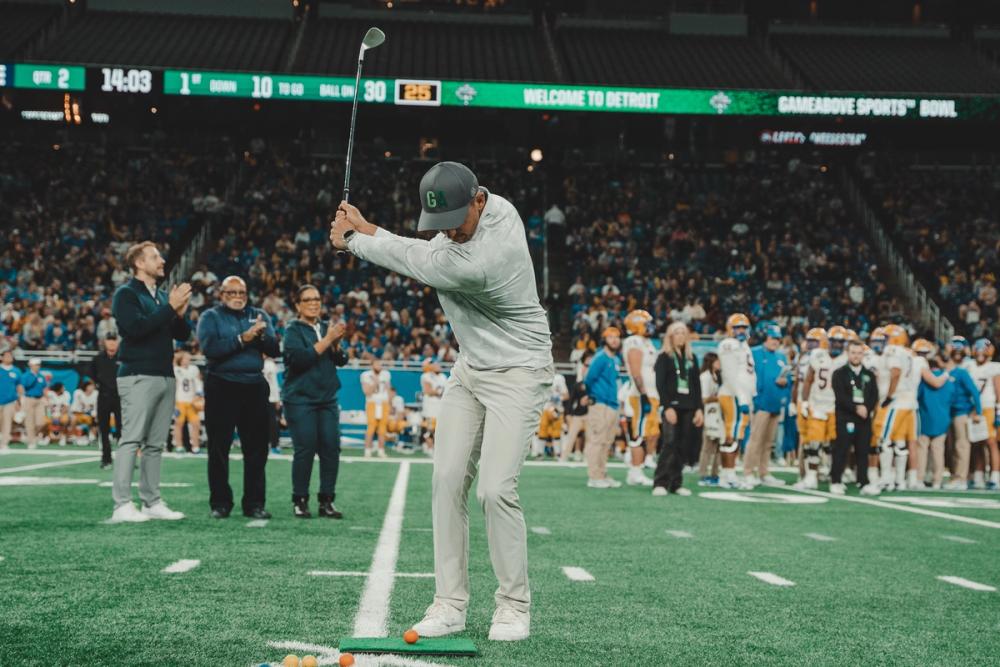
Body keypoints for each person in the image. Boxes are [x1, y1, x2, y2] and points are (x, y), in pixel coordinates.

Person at [330, 161, 554, 642]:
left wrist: (354, 241)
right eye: (441, 222)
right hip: (471, 369)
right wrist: (367, 225)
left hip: (519, 370)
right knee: (447, 480)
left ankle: (514, 606)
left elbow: (417, 260)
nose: (448, 231)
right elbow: (423, 247)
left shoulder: (486, 255)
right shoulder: (477, 217)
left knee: (495, 489)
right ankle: (449, 604)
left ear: (479, 199)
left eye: (456, 218)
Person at [110, 241, 192, 523]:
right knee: (131, 439)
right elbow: (136, 329)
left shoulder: (161, 296)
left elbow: (182, 334)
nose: (161, 260)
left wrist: (178, 311)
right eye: (154, 257)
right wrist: (170, 307)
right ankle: (121, 504)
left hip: (164, 374)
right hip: (137, 374)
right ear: (138, 264)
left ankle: (151, 501)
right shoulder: (126, 295)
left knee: (156, 443)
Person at [197, 275, 279, 520]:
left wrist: (262, 336)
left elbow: (275, 350)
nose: (237, 297)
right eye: (231, 293)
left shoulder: (259, 315)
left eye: (241, 293)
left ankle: (254, 503)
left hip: (254, 385)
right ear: (221, 294)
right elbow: (211, 349)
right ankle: (220, 502)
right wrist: (244, 338)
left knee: (256, 449)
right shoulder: (209, 317)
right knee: (218, 447)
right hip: (221, 384)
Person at [281, 284, 349, 519]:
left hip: (327, 398)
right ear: (298, 305)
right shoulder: (292, 330)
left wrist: (337, 344)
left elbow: (342, 360)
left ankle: (327, 500)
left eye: (317, 299)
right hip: (300, 399)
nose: (313, 303)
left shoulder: (324, 326)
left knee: (331, 449)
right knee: (305, 450)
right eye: (307, 299)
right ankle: (300, 500)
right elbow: (299, 360)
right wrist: (328, 339)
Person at [652, 321, 702, 496]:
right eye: (677, 332)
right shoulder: (664, 357)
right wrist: (667, 406)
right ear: (670, 336)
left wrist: (699, 409)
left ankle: (676, 482)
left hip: (689, 406)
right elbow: (660, 384)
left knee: (683, 445)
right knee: (669, 443)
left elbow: (696, 385)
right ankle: (661, 482)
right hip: (672, 406)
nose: (680, 336)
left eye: (683, 332)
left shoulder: (692, 358)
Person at [744, 324, 791, 487]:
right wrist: (754, 400)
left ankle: (764, 472)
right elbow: (749, 376)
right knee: (755, 439)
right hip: (760, 404)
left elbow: (788, 379)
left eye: (778, 339)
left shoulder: (781, 357)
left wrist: (785, 382)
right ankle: (748, 472)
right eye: (772, 338)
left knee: (769, 442)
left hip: (775, 404)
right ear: (766, 338)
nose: (775, 342)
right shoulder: (755, 353)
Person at [831, 340, 878, 494]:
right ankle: (836, 480)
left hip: (864, 419)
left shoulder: (869, 375)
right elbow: (840, 396)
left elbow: (874, 395)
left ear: (863, 354)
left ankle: (863, 482)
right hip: (845, 417)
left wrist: (867, 408)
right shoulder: (839, 373)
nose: (856, 356)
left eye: (859, 353)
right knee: (841, 449)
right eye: (853, 352)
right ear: (848, 353)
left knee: (863, 451)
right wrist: (856, 408)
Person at [717, 313, 756, 489]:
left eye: (743, 328)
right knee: (731, 436)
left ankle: (728, 474)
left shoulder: (743, 345)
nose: (741, 331)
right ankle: (728, 475)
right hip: (733, 395)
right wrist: (741, 398)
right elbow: (731, 374)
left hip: (741, 395)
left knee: (736, 436)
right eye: (737, 328)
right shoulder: (728, 345)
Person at [584, 328, 624, 489]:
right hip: (600, 403)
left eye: (617, 337)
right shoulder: (600, 357)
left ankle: (602, 474)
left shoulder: (615, 359)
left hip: (612, 404)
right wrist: (592, 396)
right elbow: (589, 379)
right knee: (597, 440)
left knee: (607, 442)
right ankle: (594, 476)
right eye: (611, 337)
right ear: (604, 339)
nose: (614, 340)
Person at [621, 309, 657, 486]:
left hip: (650, 394)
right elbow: (636, 372)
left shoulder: (646, 341)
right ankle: (635, 472)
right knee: (638, 434)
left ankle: (638, 469)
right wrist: (643, 394)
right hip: (640, 394)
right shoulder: (634, 341)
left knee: (646, 433)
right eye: (646, 323)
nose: (650, 326)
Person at [941, 339, 982, 490]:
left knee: (962, 446)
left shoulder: (962, 372)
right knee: (952, 448)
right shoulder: (947, 372)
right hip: (950, 413)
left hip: (962, 413)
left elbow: (974, 392)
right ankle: (954, 476)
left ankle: (961, 478)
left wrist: (978, 411)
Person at [968, 338, 1000, 490]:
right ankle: (979, 475)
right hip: (974, 408)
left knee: (991, 442)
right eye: (978, 349)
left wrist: (998, 410)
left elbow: (998, 390)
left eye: (983, 349)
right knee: (977, 443)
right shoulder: (970, 366)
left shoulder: (994, 367)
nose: (980, 352)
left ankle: (994, 476)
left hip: (988, 407)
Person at [90, 335, 122, 469]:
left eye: (114, 340)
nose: (112, 343)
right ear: (104, 342)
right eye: (109, 340)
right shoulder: (97, 359)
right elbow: (91, 376)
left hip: (120, 397)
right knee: (104, 429)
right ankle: (106, 458)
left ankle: (125, 460)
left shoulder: (123, 358)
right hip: (103, 396)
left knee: (123, 429)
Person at [559, 349, 592, 463]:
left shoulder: (597, 385)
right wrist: (568, 414)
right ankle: (564, 457)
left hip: (591, 414)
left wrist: (590, 399)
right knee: (571, 436)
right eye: (586, 365)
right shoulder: (579, 384)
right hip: (578, 414)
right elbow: (571, 400)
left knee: (590, 438)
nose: (586, 368)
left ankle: (587, 458)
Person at [698, 353, 723, 486]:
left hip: (717, 414)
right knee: (708, 445)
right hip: (709, 413)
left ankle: (715, 473)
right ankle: (703, 473)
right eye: (717, 361)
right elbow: (703, 398)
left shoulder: (717, 376)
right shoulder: (705, 377)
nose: (720, 364)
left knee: (719, 445)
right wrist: (720, 398)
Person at [360, 359, 392, 458]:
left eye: (380, 364)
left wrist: (390, 403)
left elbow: (388, 389)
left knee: (382, 427)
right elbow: (367, 392)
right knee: (371, 427)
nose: (379, 366)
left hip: (384, 403)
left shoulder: (386, 374)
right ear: (372, 365)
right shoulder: (366, 375)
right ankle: (367, 450)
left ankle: (381, 450)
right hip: (372, 403)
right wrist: (375, 382)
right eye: (377, 364)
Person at [172, 350, 202, 454]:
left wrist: (199, 393)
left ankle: (196, 447)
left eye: (188, 358)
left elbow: (198, 381)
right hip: (180, 400)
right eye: (185, 358)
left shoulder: (194, 369)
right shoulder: (176, 370)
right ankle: (179, 446)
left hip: (192, 401)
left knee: (196, 424)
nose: (188, 360)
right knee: (178, 424)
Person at [419, 359, 447, 453]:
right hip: (430, 406)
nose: (438, 366)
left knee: (439, 428)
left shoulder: (443, 376)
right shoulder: (425, 376)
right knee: (429, 428)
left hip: (440, 405)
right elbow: (428, 391)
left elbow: (445, 391)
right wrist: (438, 392)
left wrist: (438, 392)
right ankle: (429, 447)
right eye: (435, 364)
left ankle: (437, 448)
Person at [20, 358, 48, 449]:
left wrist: (47, 399)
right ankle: (31, 441)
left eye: (39, 365)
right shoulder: (26, 375)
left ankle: (31, 436)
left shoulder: (41, 376)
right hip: (29, 399)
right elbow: (24, 386)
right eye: (36, 365)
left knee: (41, 422)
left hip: (39, 400)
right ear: (31, 365)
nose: (38, 366)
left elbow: (44, 388)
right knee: (29, 422)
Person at [0, 350, 23, 450]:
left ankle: (4, 443)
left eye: (10, 356)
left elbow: (19, 387)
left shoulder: (16, 371)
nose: (9, 357)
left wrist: (19, 401)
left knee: (7, 422)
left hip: (10, 401)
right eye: (7, 356)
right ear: (1, 357)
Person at [263, 355, 282, 456]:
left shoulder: (269, 364)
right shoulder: (264, 364)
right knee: (269, 423)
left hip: (270, 398)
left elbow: (273, 384)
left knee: (271, 422)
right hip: (265, 398)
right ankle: (272, 445)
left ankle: (274, 445)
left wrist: (277, 399)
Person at [70, 379, 99, 445]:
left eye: (93, 386)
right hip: (79, 414)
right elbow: (74, 408)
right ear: (86, 386)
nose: (92, 388)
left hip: (91, 415)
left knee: (96, 418)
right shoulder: (78, 393)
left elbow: (96, 407)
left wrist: (92, 413)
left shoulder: (96, 393)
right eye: (90, 386)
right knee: (73, 418)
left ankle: (93, 437)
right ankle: (73, 436)